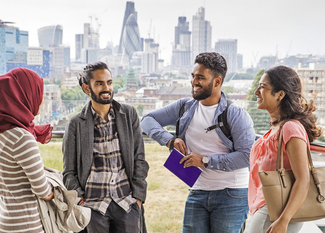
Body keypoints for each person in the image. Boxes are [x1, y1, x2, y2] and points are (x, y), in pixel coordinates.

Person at [141, 52, 255, 233]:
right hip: (198, 190)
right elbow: (146, 120)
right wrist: (169, 140)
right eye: (193, 76)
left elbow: (247, 156)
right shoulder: (185, 107)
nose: (194, 82)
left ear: (217, 82)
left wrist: (205, 160)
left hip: (231, 194)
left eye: (200, 78)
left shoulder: (236, 115)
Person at [62, 62, 149, 233]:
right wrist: (80, 199)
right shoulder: (75, 124)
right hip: (92, 205)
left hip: (126, 202)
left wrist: (138, 197)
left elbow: (140, 159)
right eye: (99, 83)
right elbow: (69, 172)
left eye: (109, 82)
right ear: (87, 88)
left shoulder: (128, 114)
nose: (106, 88)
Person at [244, 66, 322, 233]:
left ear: (280, 94)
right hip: (266, 209)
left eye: (262, 87)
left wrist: (283, 220)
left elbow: (303, 180)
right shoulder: (275, 129)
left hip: (275, 212)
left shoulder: (290, 129)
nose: (256, 92)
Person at [0, 68, 54, 232]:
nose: (40, 99)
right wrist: (58, 190)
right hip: (26, 225)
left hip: (5, 221)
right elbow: (43, 190)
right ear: (24, 96)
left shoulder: (2, 132)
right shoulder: (22, 138)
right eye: (37, 92)